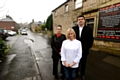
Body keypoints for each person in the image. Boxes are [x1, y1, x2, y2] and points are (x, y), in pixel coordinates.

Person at [72, 15, 94, 80]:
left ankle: (82, 74)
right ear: (77, 21)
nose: (80, 20)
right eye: (79, 19)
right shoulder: (73, 29)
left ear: (84, 20)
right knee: (76, 61)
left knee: (83, 62)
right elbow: (71, 38)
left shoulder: (89, 29)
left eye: (82, 19)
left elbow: (91, 39)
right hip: (75, 50)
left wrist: (88, 47)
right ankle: (76, 73)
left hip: (84, 50)